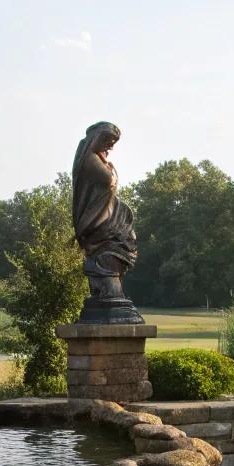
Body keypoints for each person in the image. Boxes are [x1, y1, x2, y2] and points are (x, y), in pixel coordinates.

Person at [71, 121, 142, 323]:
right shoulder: (90, 160)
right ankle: (108, 291)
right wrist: (109, 167)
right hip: (98, 222)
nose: (110, 147)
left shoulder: (97, 158)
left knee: (122, 245)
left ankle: (111, 290)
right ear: (97, 139)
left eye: (113, 143)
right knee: (115, 249)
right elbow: (108, 180)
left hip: (107, 215)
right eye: (108, 141)